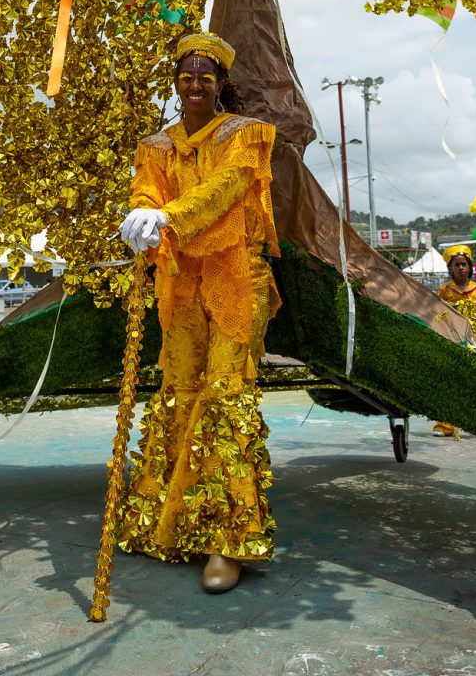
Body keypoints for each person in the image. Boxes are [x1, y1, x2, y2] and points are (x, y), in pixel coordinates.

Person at [117, 32, 281, 593]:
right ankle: (171, 520)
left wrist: (170, 216)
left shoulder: (247, 135)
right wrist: (140, 214)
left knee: (224, 392)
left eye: (205, 77)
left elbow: (228, 187)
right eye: (186, 76)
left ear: (221, 85)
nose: (194, 85)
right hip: (179, 282)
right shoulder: (154, 145)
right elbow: (145, 190)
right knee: (180, 389)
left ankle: (226, 541)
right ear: (175, 81)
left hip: (235, 277)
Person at [433, 244, 476, 437]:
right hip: (451, 340)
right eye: (457, 265)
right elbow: (438, 314)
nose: (461, 268)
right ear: (450, 268)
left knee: (473, 382)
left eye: (464, 264)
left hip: (472, 341)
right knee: (449, 381)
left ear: (470, 267)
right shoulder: (444, 290)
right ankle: (445, 425)